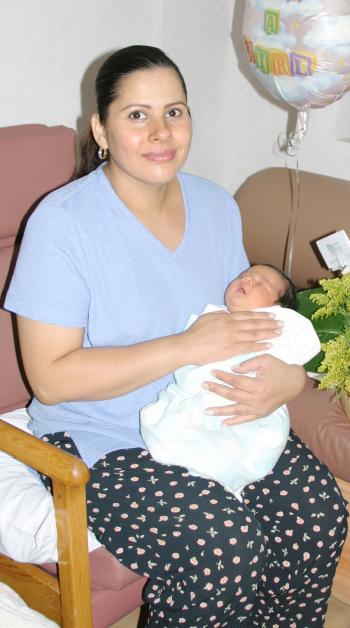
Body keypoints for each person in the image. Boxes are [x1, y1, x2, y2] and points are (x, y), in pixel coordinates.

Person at [4, 45, 347, 626]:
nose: (161, 132)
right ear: (101, 130)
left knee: (319, 512)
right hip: (102, 436)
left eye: (175, 111)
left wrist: (289, 377)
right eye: (137, 115)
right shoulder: (62, 225)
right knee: (224, 548)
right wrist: (187, 347)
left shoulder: (216, 205)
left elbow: (243, 323)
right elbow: (52, 380)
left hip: (208, 417)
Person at [141, 264, 321, 495]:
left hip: (254, 404)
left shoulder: (278, 324)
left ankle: (227, 479)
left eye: (261, 283)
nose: (247, 281)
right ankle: (208, 477)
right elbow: (188, 362)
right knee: (179, 427)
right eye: (244, 276)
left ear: (277, 306)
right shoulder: (213, 316)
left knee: (261, 439)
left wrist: (294, 373)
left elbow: (306, 343)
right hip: (204, 394)